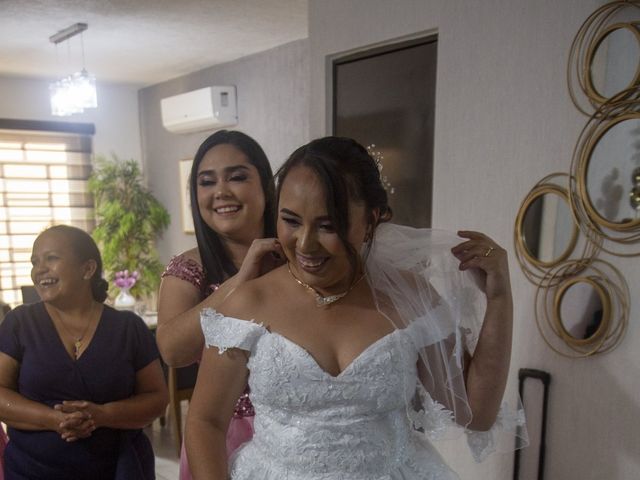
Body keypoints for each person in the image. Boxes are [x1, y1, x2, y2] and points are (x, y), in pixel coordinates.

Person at [186, 136, 526, 479]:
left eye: (328, 225)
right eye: (291, 221)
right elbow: (206, 422)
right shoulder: (249, 302)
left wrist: (500, 297)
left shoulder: (409, 298)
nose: (305, 244)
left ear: (371, 220)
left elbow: (476, 413)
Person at [156, 130, 282, 476]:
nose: (221, 192)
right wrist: (237, 283)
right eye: (206, 182)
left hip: (298, 430)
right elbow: (171, 350)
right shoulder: (189, 269)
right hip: (221, 435)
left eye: (237, 177)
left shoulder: (299, 260)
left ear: (266, 187)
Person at [0, 225, 168, 480]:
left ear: (87, 269)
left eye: (52, 258)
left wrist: (102, 415)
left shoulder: (127, 328)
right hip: (32, 471)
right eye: (35, 262)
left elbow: (156, 398)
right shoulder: (19, 323)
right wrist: (53, 419)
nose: (39, 269)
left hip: (118, 470)